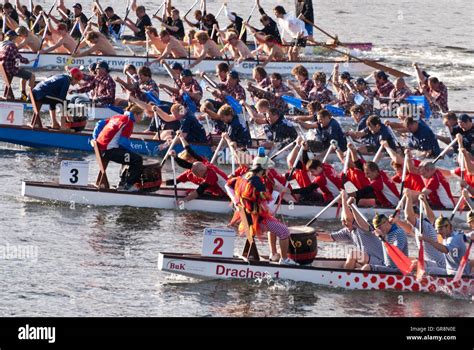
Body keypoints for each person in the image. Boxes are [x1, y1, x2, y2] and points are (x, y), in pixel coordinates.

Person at [227, 152, 296, 265]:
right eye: (268, 169)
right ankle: (285, 260)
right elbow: (267, 206)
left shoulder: (245, 176)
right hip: (256, 220)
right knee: (284, 232)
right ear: (262, 169)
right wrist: (276, 192)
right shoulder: (257, 183)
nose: (269, 172)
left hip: (248, 216)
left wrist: (236, 201)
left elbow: (228, 185)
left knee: (275, 225)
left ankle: (273, 254)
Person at [317, 190, 385, 269]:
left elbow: (349, 219)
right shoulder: (347, 231)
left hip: (381, 261)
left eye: (344, 221)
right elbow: (329, 237)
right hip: (368, 260)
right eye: (342, 221)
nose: (343, 223)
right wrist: (310, 234)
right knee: (355, 261)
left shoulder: (362, 226)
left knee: (353, 254)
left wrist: (344, 199)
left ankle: (344, 276)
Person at [92, 104, 145, 191]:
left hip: (101, 149)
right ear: (135, 114)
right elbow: (123, 142)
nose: (141, 119)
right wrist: (134, 153)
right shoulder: (129, 121)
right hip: (109, 151)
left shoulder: (117, 116)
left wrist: (95, 139)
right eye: (140, 117)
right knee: (138, 159)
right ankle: (128, 186)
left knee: (129, 156)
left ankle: (122, 183)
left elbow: (99, 124)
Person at [0, 30, 35, 101]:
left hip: (3, 68)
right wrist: (26, 61)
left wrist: (24, 60)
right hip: (10, 69)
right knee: (32, 76)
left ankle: (23, 95)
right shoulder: (11, 45)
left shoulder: (1, 44)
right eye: (16, 37)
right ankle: (30, 97)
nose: (16, 38)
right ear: (13, 37)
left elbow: (15, 56)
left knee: (23, 75)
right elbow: (17, 57)